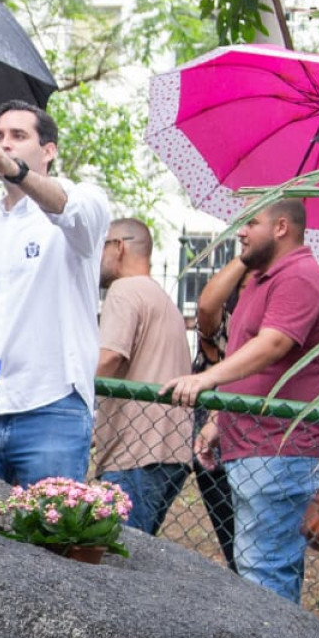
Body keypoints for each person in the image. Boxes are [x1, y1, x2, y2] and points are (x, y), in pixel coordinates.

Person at [165, 199, 319, 602]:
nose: (240, 231)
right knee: (255, 570)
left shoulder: (299, 276)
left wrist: (206, 378)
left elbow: (273, 345)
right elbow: (246, 359)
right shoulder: (262, 279)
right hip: (253, 448)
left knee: (265, 578)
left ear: (281, 227)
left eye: (250, 222)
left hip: (281, 451)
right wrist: (217, 422)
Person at [0, 101, 110, 484]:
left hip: (51, 408)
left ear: (49, 151)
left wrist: (16, 171)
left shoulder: (84, 200)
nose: (5, 144)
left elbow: (68, 209)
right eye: (0, 135)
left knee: (49, 542)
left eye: (19, 136)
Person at [93, 218, 194, 535]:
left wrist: (74, 400)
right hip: (171, 451)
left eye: (101, 246)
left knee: (116, 557)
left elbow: (109, 356)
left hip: (134, 454)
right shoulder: (161, 298)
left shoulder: (124, 291)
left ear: (118, 247)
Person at [191, 252, 252, 567]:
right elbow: (205, 307)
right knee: (235, 541)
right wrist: (248, 255)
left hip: (261, 433)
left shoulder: (275, 326)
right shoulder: (224, 324)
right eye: (247, 287)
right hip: (215, 433)